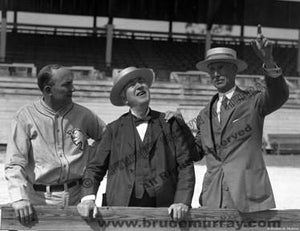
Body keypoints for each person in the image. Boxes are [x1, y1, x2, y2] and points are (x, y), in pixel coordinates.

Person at [77, 66, 197, 221]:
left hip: (165, 209)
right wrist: (87, 198)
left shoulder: (169, 123)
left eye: (141, 81)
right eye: (131, 84)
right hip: (120, 210)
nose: (140, 85)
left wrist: (181, 200)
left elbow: (185, 165)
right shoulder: (112, 130)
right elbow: (94, 169)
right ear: (125, 99)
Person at [193, 25, 289, 212]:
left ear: (234, 69)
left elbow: (279, 94)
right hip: (213, 199)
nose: (215, 73)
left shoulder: (253, 101)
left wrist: (268, 59)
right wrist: (176, 126)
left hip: (249, 199)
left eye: (221, 67)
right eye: (211, 69)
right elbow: (196, 152)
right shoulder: (204, 114)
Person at [5, 64, 106, 225]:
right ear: (48, 90)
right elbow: (15, 163)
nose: (73, 88)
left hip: (77, 197)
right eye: (67, 84)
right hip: (38, 200)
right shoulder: (25, 117)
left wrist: (92, 155)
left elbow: (107, 139)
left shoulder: (85, 115)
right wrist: (19, 198)